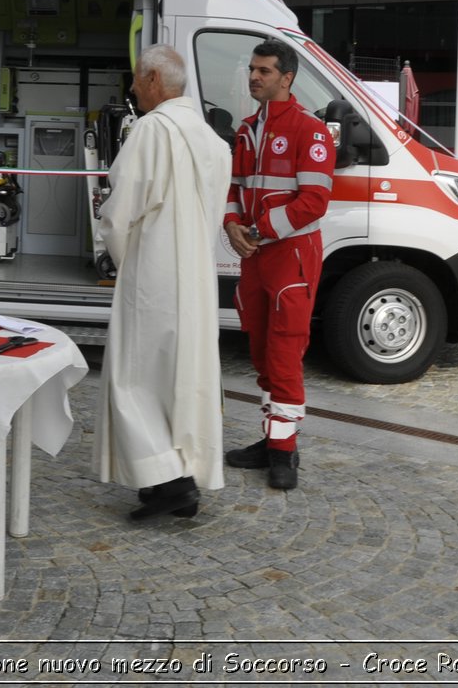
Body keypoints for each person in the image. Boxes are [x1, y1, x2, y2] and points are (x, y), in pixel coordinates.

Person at [94, 45, 229, 521]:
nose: (131, 88)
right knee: (182, 379)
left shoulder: (151, 130)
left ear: (154, 79)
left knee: (135, 379)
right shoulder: (213, 141)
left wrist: (124, 261)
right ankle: (173, 476)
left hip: (151, 274)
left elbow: (119, 210)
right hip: (195, 278)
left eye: (135, 79)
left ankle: (170, 484)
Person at [222, 40, 335, 490]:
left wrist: (258, 229)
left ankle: (285, 453)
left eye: (264, 71)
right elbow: (234, 187)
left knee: (285, 351)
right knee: (260, 350)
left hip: (290, 256)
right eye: (252, 69)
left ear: (286, 78)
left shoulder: (311, 130)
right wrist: (231, 224)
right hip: (257, 256)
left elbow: (315, 202)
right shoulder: (247, 128)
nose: (254, 77)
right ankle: (272, 440)